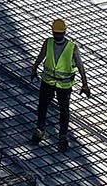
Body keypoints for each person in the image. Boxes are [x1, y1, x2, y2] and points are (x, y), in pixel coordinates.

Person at [31, 18, 90, 151]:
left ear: (64, 32)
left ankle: (62, 136)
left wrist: (85, 83)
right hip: (48, 82)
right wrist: (34, 68)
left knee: (64, 111)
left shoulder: (72, 47)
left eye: (59, 33)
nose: (57, 36)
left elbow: (80, 65)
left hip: (64, 85)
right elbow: (41, 56)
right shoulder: (48, 43)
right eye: (56, 33)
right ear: (53, 32)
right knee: (42, 106)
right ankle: (40, 130)